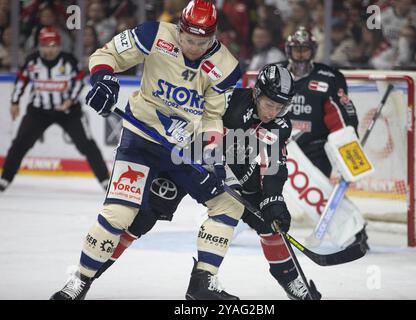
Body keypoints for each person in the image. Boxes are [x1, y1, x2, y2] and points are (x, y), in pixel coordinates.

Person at [51, 0, 248, 300]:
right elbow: (107, 55)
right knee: (119, 213)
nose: (193, 47)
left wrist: (212, 158)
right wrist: (103, 80)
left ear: (214, 36)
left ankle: (202, 283)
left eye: (201, 41)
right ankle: (78, 282)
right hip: (141, 139)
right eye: (188, 39)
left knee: (229, 205)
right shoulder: (153, 34)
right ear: (180, 30)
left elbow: (212, 117)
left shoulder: (227, 67)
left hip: (184, 148)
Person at [87, 64, 321, 300]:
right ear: (256, 93)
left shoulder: (280, 124)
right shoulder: (228, 100)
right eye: (270, 104)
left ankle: (286, 282)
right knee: (142, 219)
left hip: (235, 172)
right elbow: (191, 121)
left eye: (280, 107)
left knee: (270, 221)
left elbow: (274, 166)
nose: (273, 112)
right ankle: (89, 274)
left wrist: (273, 199)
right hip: (189, 162)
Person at [280, 26, 369, 249]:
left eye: (305, 49)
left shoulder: (329, 78)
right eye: (296, 49)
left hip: (314, 147)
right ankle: (227, 222)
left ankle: (355, 233)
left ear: (313, 50)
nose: (300, 54)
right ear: (288, 50)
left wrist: (348, 147)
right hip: (278, 145)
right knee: (255, 184)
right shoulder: (276, 73)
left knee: (320, 192)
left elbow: (342, 115)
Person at [0, 27, 110, 192]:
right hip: (38, 111)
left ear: (59, 46)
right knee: (20, 143)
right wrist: (14, 102)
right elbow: (21, 81)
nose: (50, 49)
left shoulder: (69, 60)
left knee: (86, 144)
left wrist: (69, 100)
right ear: (40, 46)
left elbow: (79, 81)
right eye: (46, 45)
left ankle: (105, 181)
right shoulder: (32, 61)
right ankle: (5, 179)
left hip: (68, 112)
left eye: (53, 45)